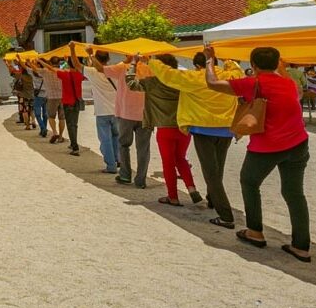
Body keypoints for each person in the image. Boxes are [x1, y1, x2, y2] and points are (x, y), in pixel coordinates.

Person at [205, 46, 311, 262]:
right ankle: (301, 246)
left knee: (249, 182)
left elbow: (213, 83)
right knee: (294, 194)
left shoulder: (252, 83)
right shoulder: (289, 83)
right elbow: (294, 89)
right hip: (298, 143)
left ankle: (255, 231)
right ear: (277, 63)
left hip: (267, 146)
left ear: (253, 65)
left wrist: (209, 60)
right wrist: (281, 65)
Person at [145, 52, 242, 228]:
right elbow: (237, 69)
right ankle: (212, 199)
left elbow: (167, 73)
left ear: (197, 66)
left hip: (203, 129)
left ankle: (226, 215)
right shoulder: (230, 76)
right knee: (218, 168)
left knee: (210, 172)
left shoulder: (194, 78)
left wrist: (150, 60)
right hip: (227, 129)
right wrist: (227, 60)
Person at [127, 54, 203, 207]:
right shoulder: (182, 80)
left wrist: (133, 64)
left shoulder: (153, 82)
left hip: (165, 129)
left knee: (168, 163)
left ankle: (173, 197)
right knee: (181, 158)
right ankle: (191, 188)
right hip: (183, 127)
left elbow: (130, 83)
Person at [98, 56, 149, 188]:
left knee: (124, 145)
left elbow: (100, 68)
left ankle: (125, 175)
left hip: (126, 113)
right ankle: (140, 181)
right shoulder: (150, 69)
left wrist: (90, 55)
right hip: (145, 115)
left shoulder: (122, 68)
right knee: (143, 149)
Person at [69, 44, 119, 173]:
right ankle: (118, 160)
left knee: (106, 140)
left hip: (102, 112)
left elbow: (76, 65)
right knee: (116, 137)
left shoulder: (92, 72)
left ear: (95, 58)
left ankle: (111, 166)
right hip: (117, 111)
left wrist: (72, 49)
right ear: (108, 59)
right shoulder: (115, 70)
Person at [40, 58, 84, 154]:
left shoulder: (64, 74)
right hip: (77, 102)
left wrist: (40, 61)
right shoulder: (80, 74)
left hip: (68, 102)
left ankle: (75, 147)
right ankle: (72, 143)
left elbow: (51, 68)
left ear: (68, 64)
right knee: (74, 124)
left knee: (70, 125)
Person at [37, 59, 64, 142]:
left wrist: (31, 62)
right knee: (62, 118)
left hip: (51, 97)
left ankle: (55, 132)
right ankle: (60, 137)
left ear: (50, 63)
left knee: (51, 117)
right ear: (59, 63)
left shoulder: (45, 71)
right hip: (62, 97)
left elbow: (34, 69)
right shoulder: (62, 71)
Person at [8, 61, 34, 129]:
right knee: (31, 110)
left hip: (23, 95)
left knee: (25, 111)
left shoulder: (20, 76)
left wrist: (8, 64)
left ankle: (27, 125)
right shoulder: (32, 76)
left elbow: (12, 73)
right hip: (32, 95)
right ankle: (33, 121)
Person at [30, 61, 48, 136]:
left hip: (38, 96)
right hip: (46, 95)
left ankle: (43, 128)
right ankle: (43, 129)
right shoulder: (46, 73)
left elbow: (25, 67)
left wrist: (29, 62)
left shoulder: (33, 73)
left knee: (37, 114)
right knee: (45, 114)